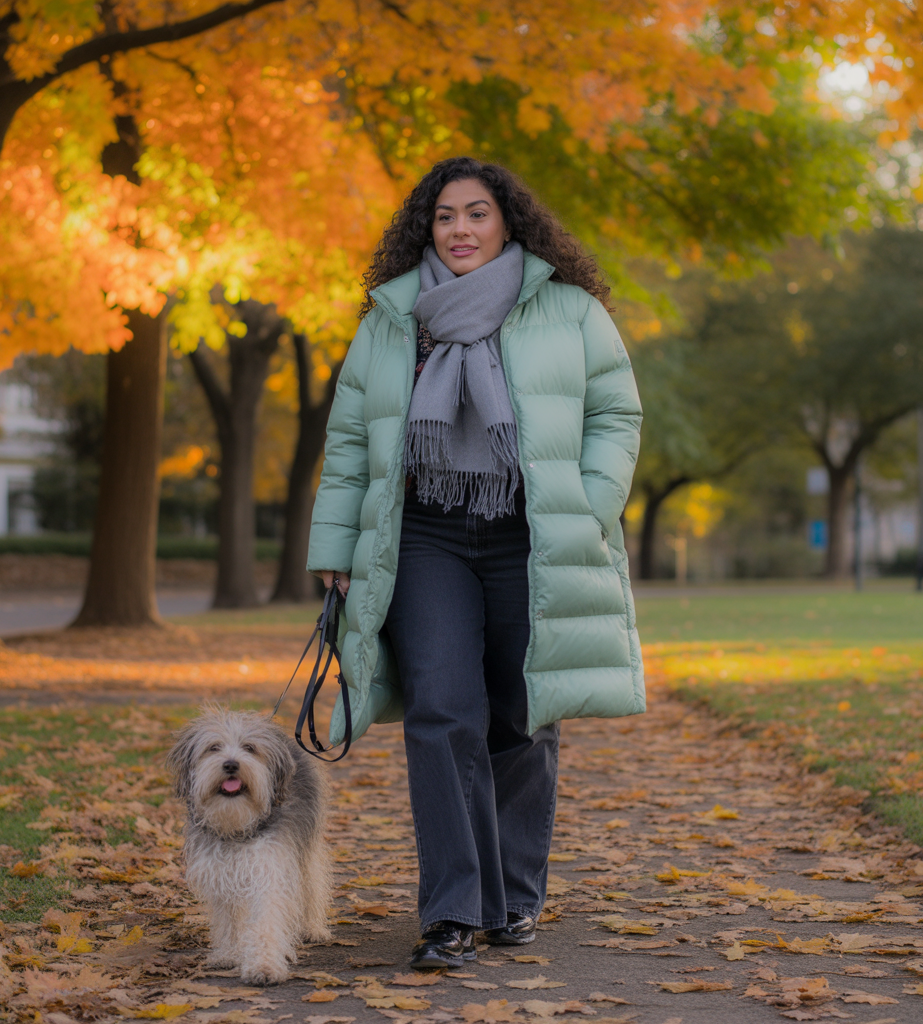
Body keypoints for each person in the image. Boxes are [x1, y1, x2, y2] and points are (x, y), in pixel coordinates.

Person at [306, 157, 644, 969]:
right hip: (424, 534)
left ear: (508, 223)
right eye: (445, 217)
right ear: (428, 229)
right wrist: (334, 547)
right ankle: (453, 910)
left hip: (533, 533)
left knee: (521, 714)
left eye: (476, 214)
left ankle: (515, 897)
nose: (459, 230)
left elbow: (617, 415)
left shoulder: (569, 311)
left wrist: (588, 508)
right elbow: (352, 441)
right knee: (441, 709)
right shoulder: (391, 319)